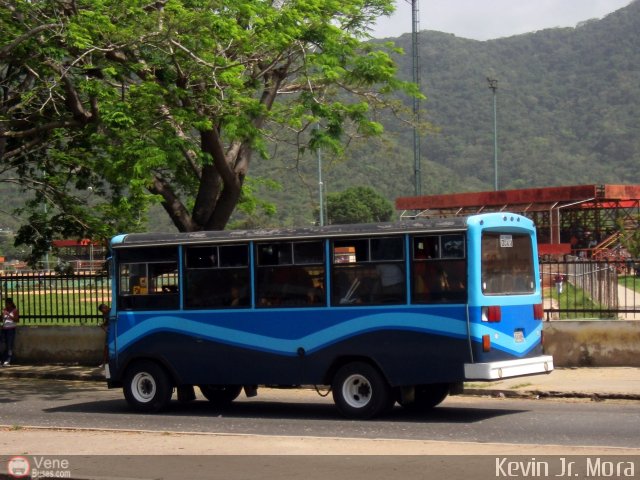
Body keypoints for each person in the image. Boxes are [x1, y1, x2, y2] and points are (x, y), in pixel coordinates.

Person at [1, 298, 19, 366]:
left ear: (11, 304)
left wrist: (8, 314)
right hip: (4, 329)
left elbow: (16, 320)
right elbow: (2, 319)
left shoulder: (15, 310)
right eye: (6, 304)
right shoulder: (5, 310)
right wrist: (3, 315)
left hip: (11, 329)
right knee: (3, 344)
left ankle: (8, 359)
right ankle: (3, 359)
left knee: (9, 344)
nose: (6, 305)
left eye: (8, 304)